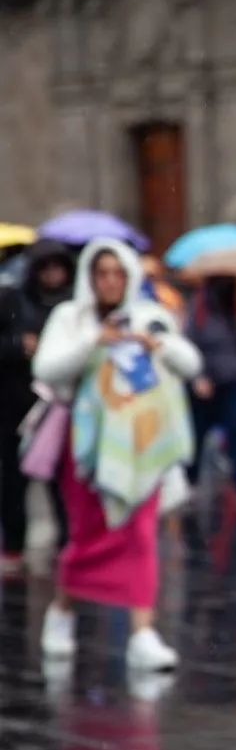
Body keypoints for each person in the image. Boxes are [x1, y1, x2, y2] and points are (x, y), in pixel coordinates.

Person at [32, 239, 201, 669]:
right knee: (89, 536)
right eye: (101, 272)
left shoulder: (149, 316)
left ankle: (142, 632)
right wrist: (93, 342)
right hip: (87, 448)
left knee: (140, 535)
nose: (110, 281)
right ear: (90, 277)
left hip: (141, 447)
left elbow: (190, 363)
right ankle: (63, 609)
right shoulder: (70, 317)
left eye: (118, 272)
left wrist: (156, 345)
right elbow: (46, 369)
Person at [0, 239, 75, 575]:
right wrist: (17, 346)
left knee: (61, 480)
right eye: (46, 268)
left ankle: (67, 544)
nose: (52, 275)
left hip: (56, 408)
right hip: (15, 406)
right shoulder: (12, 300)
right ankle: (14, 545)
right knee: (13, 481)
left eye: (58, 267)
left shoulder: (71, 307)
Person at [185, 276, 236, 500]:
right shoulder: (199, 306)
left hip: (231, 381)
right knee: (197, 434)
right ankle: (190, 481)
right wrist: (197, 376)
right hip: (205, 383)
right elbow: (189, 343)